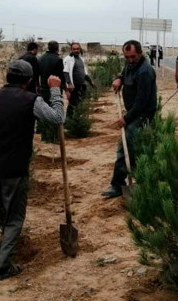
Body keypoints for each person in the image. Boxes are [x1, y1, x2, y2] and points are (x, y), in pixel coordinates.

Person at [0, 60, 65, 280]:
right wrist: (56, 90)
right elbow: (57, 118)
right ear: (28, 81)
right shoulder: (31, 101)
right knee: (14, 217)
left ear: (7, 77)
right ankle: (2, 267)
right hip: (14, 168)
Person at [101, 40, 157, 199]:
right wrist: (119, 78)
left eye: (133, 57)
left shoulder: (145, 71)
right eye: (127, 57)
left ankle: (117, 185)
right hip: (133, 112)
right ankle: (138, 178)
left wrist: (126, 118)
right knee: (134, 147)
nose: (130, 60)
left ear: (140, 53)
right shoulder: (131, 65)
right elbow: (125, 70)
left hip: (142, 114)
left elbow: (142, 101)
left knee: (125, 147)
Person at [63, 42, 95, 118]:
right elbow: (66, 72)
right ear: (71, 50)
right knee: (72, 103)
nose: (76, 50)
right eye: (74, 49)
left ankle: (78, 119)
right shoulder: (68, 59)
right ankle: (69, 121)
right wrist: (69, 83)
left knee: (81, 103)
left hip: (82, 85)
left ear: (80, 49)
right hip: (74, 86)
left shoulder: (81, 59)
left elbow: (85, 73)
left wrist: (91, 82)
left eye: (77, 49)